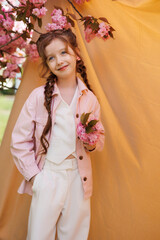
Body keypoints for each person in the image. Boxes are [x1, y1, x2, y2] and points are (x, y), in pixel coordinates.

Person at [10, 28, 105, 240]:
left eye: (64, 53)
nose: (59, 61)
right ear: (47, 64)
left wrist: (91, 140)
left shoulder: (90, 99)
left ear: (76, 54)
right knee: (39, 235)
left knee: (74, 235)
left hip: (78, 179)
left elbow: (99, 139)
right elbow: (18, 141)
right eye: (51, 58)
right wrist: (35, 177)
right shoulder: (37, 98)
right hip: (48, 176)